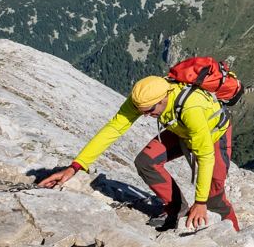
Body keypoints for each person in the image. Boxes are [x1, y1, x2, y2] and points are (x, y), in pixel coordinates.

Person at [39, 75, 239, 231]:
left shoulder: (191, 108)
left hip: (212, 134)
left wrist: (200, 201)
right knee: (146, 162)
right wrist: (75, 167)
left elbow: (205, 156)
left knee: (214, 194)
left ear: (164, 98)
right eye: (141, 110)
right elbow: (113, 129)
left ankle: (235, 236)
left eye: (149, 111)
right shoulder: (143, 98)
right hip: (179, 129)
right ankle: (176, 210)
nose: (144, 116)